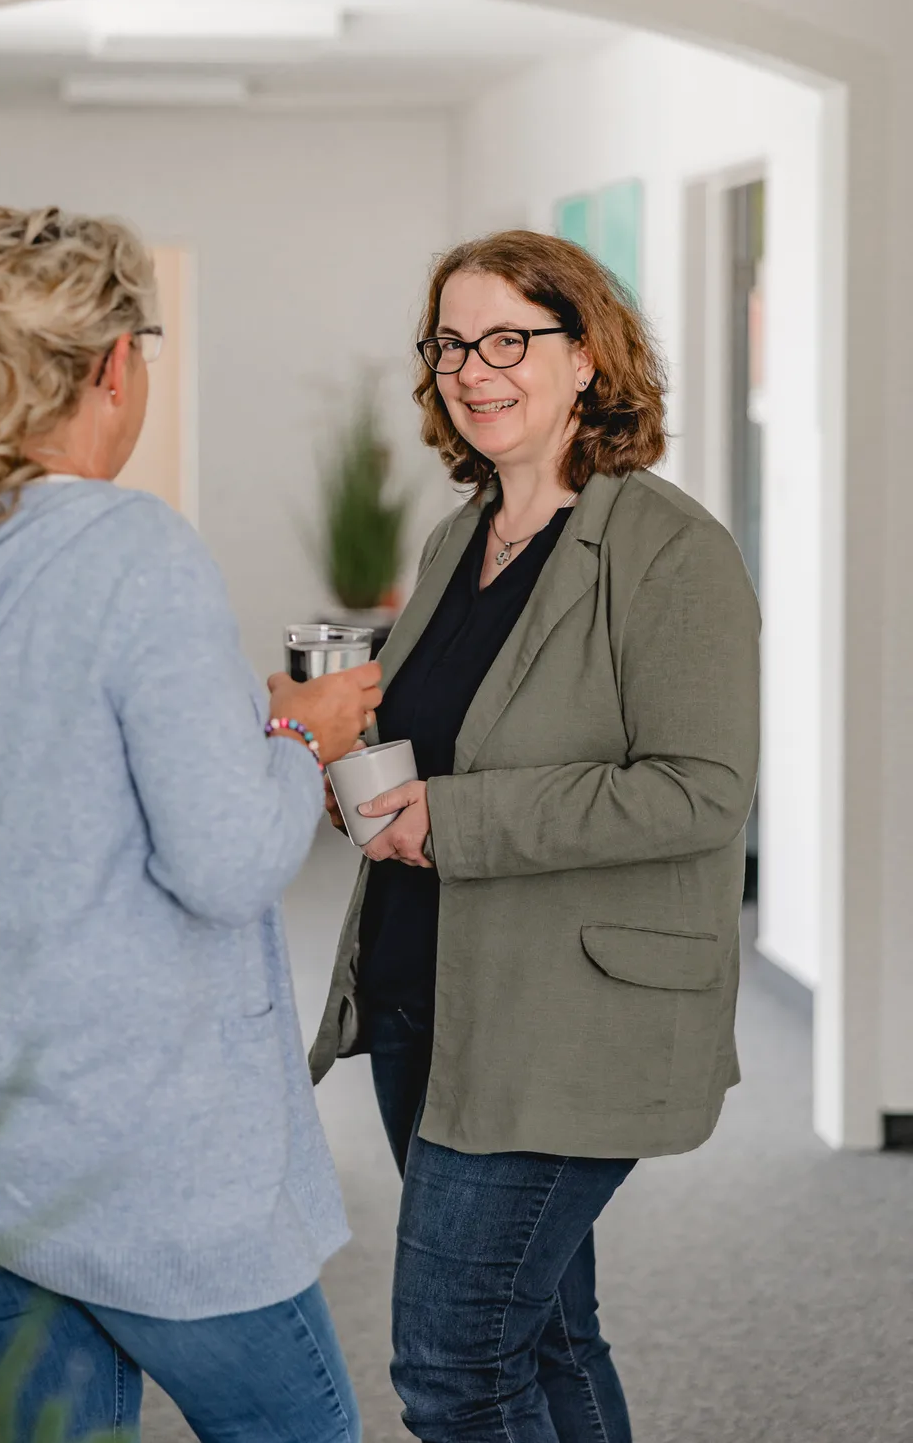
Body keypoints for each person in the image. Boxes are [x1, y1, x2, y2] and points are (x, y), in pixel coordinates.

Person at [0, 205, 379, 1443]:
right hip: (145, 1139)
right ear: (116, 363)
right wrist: (296, 734)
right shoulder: (131, 550)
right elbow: (228, 861)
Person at [311, 230, 760, 1443]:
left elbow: (701, 789)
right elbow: (444, 736)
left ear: (588, 359)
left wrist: (453, 818)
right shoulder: (459, 539)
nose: (476, 366)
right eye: (453, 341)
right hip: (430, 996)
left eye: (511, 336)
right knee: (547, 1335)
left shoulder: (672, 551)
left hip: (564, 1021)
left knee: (455, 1367)